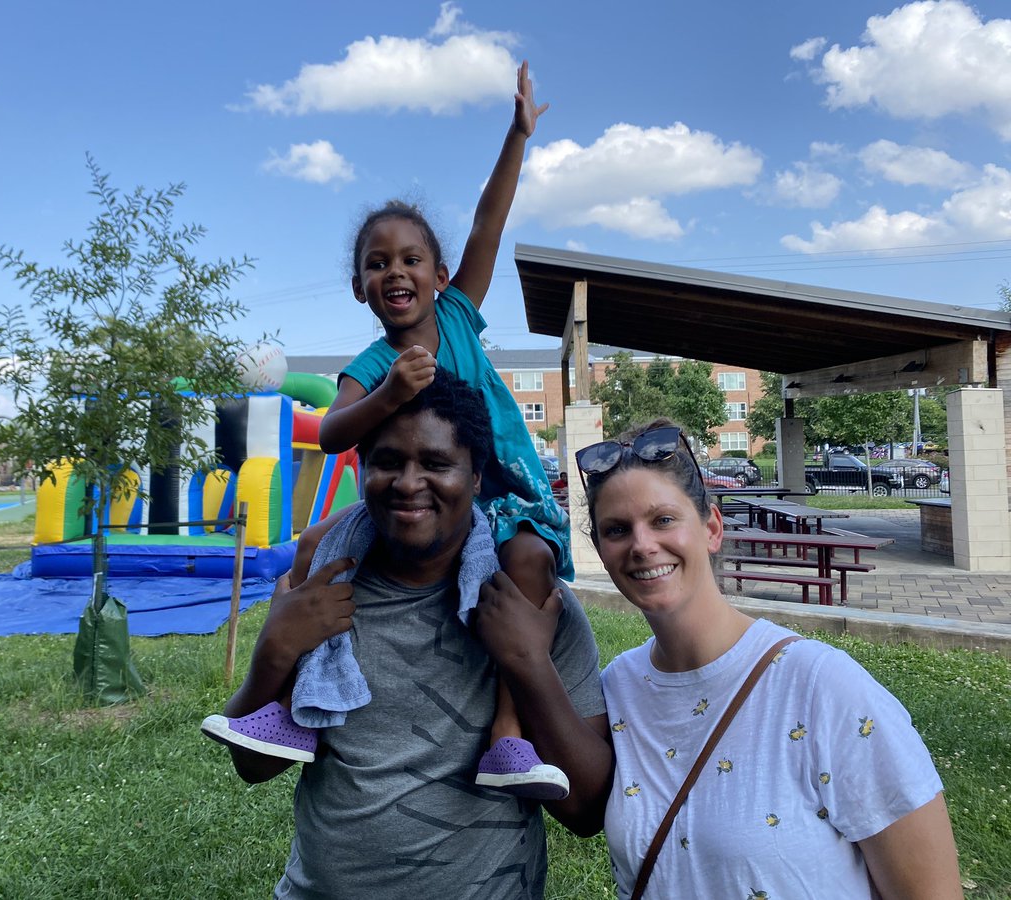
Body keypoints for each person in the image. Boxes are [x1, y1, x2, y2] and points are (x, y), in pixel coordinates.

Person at [206, 61, 573, 797]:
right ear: (359, 287)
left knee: (529, 559)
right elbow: (338, 431)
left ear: (439, 275)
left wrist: (516, 136)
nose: (395, 270)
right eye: (378, 263)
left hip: (493, 494)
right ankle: (293, 711)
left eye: (411, 258)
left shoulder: (461, 315)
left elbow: (489, 223)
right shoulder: (371, 363)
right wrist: (386, 395)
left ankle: (507, 733)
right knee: (314, 546)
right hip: (412, 505)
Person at [207, 371, 611, 898]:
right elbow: (255, 764)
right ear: (362, 467)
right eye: (388, 461)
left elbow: (586, 810)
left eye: (437, 463)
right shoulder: (319, 592)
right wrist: (275, 649)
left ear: (476, 477)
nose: (407, 482)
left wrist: (527, 660)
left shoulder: (531, 605)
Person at [574, 418, 963, 899]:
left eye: (663, 519)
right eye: (617, 529)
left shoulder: (824, 686)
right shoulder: (617, 691)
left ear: (711, 528)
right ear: (599, 550)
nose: (641, 545)